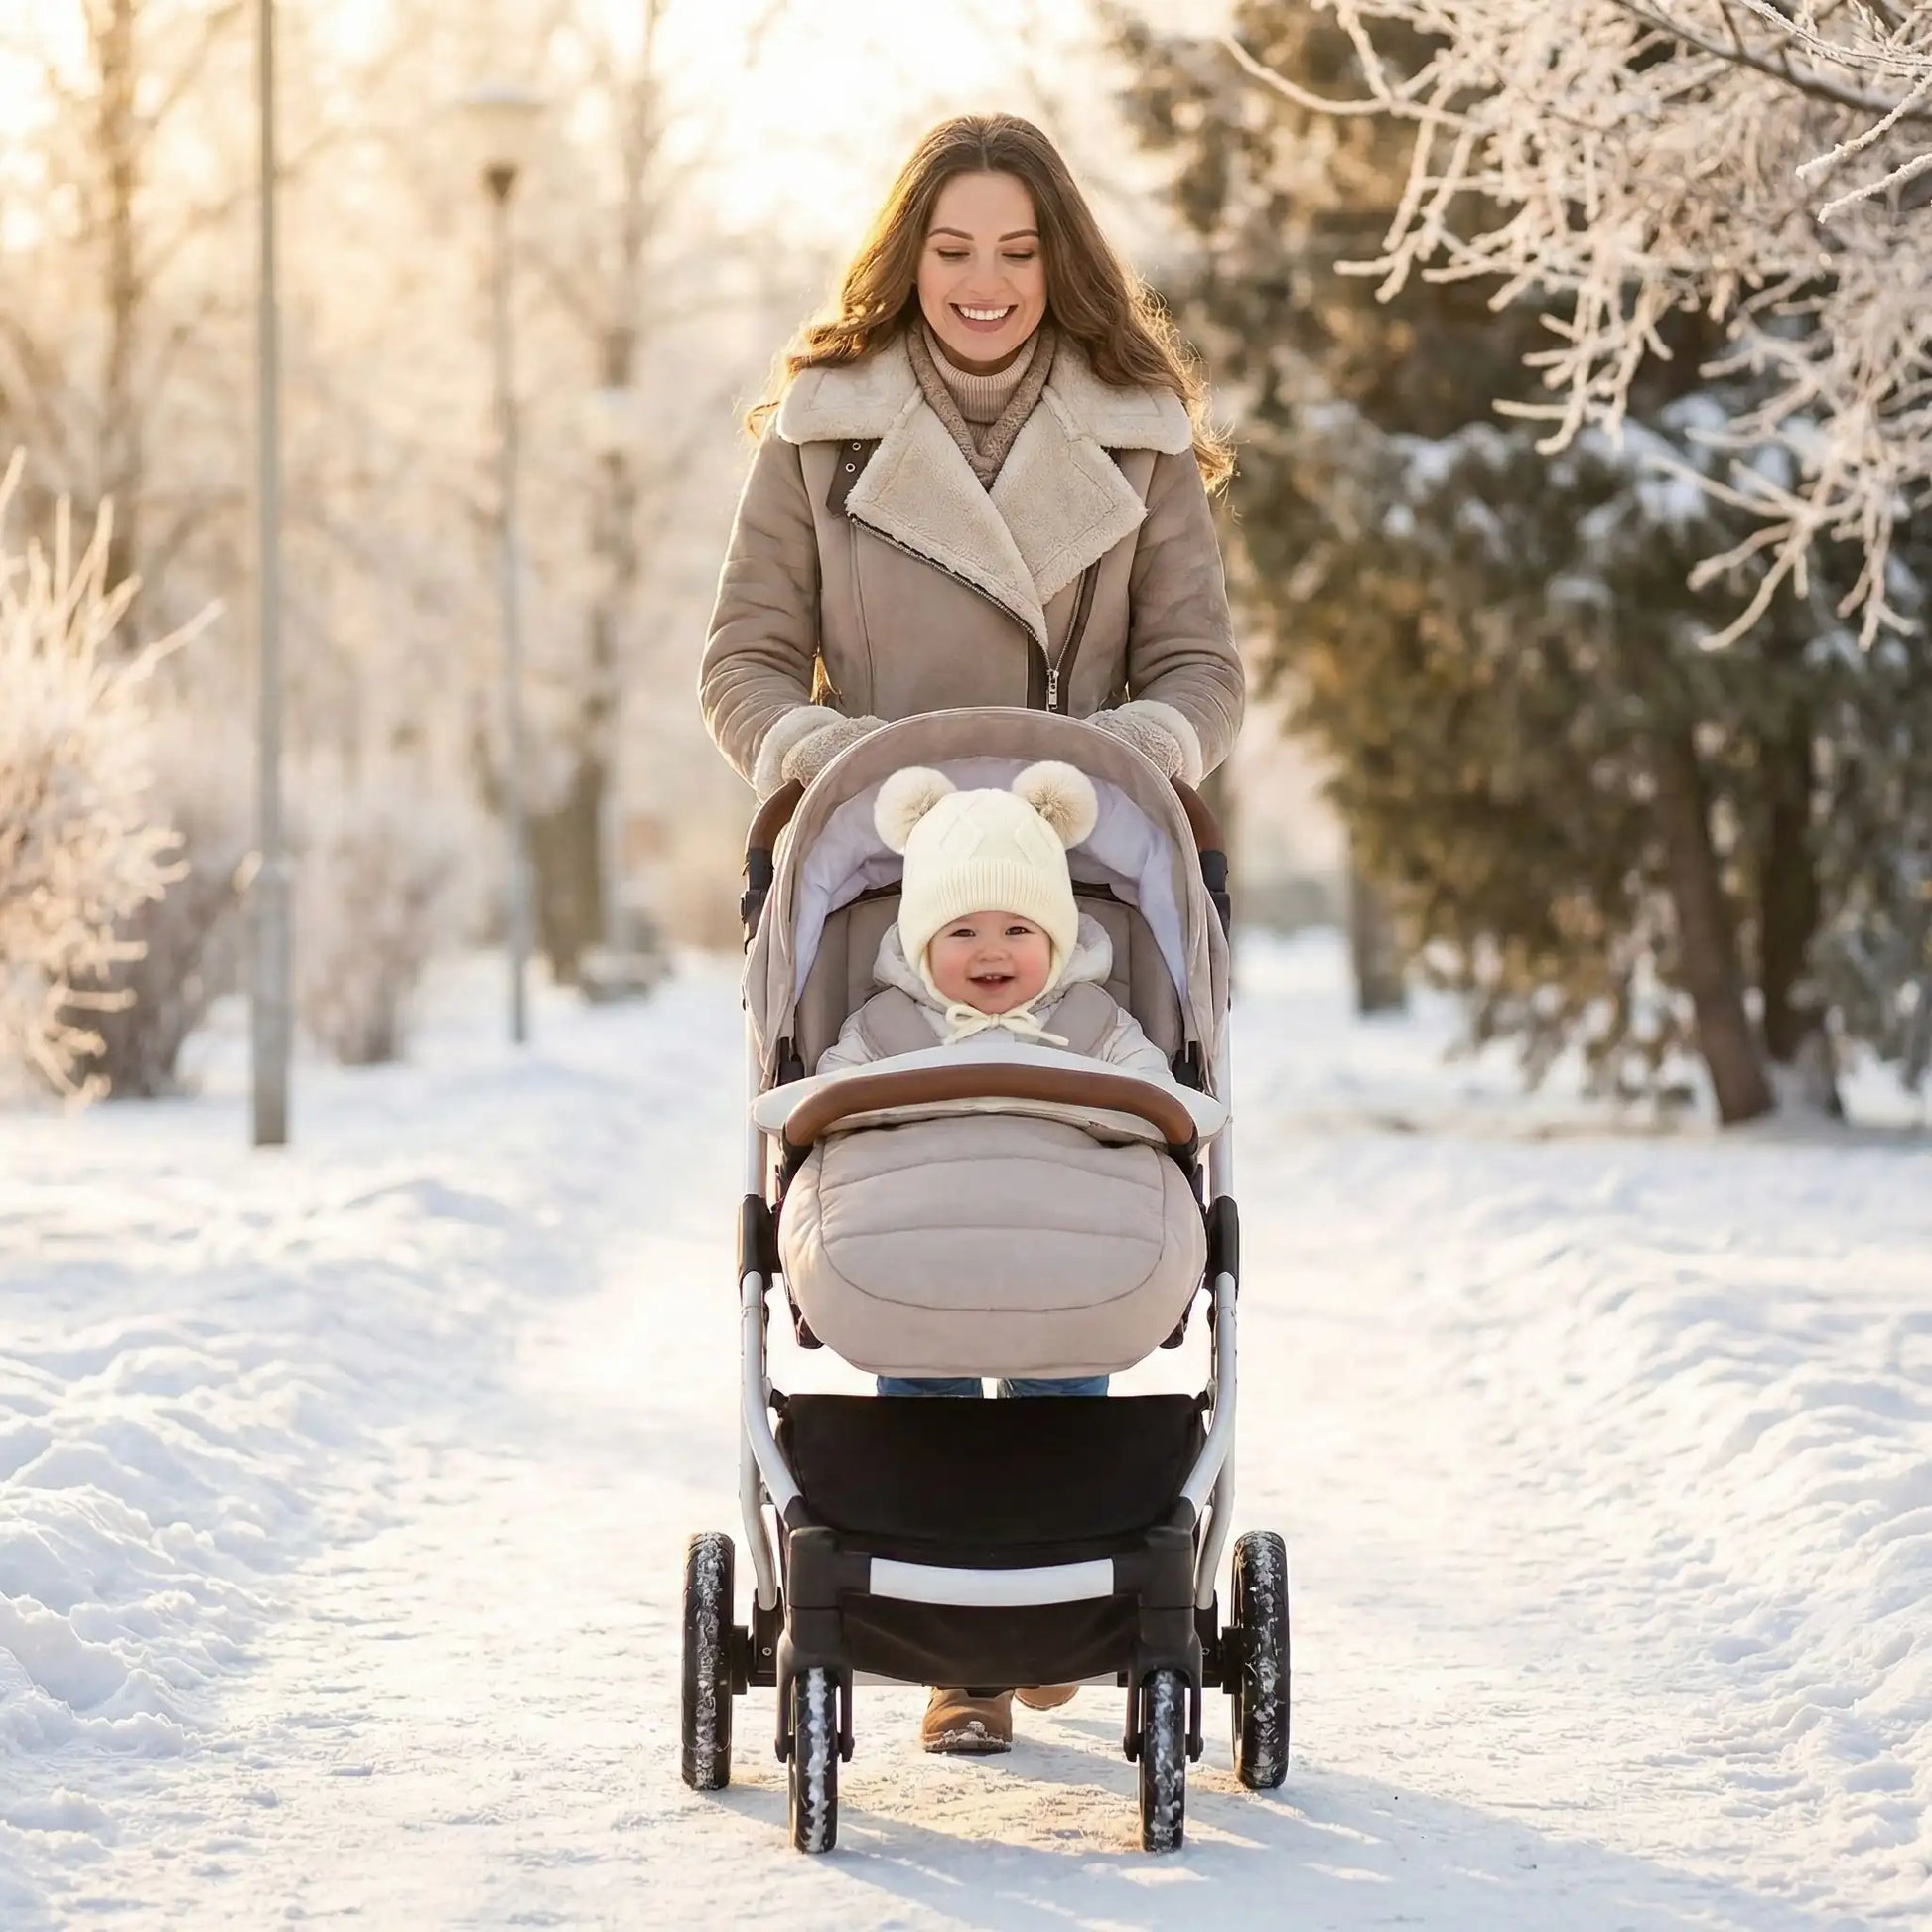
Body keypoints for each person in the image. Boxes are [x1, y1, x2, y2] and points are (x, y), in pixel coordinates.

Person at [700, 112, 1244, 800]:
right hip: (878, 832)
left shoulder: (1140, 434)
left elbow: (1198, 666)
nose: (986, 283)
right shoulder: (818, 429)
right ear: (911, 258)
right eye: (953, 253)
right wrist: (834, 761)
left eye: (1019, 254)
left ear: (1058, 261)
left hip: (1077, 832)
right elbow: (745, 662)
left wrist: (1121, 760)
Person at [815, 759, 1166, 1755]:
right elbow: (825, 1116)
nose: (991, 952)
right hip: (915, 1259)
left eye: (1018, 928)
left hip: (1064, 1258)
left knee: (1062, 1425)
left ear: (1057, 936)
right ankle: (963, 1669)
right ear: (918, 941)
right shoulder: (883, 1031)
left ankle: (1055, 1613)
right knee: (927, 1435)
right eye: (960, 931)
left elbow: (1160, 1106)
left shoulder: (1096, 1028)